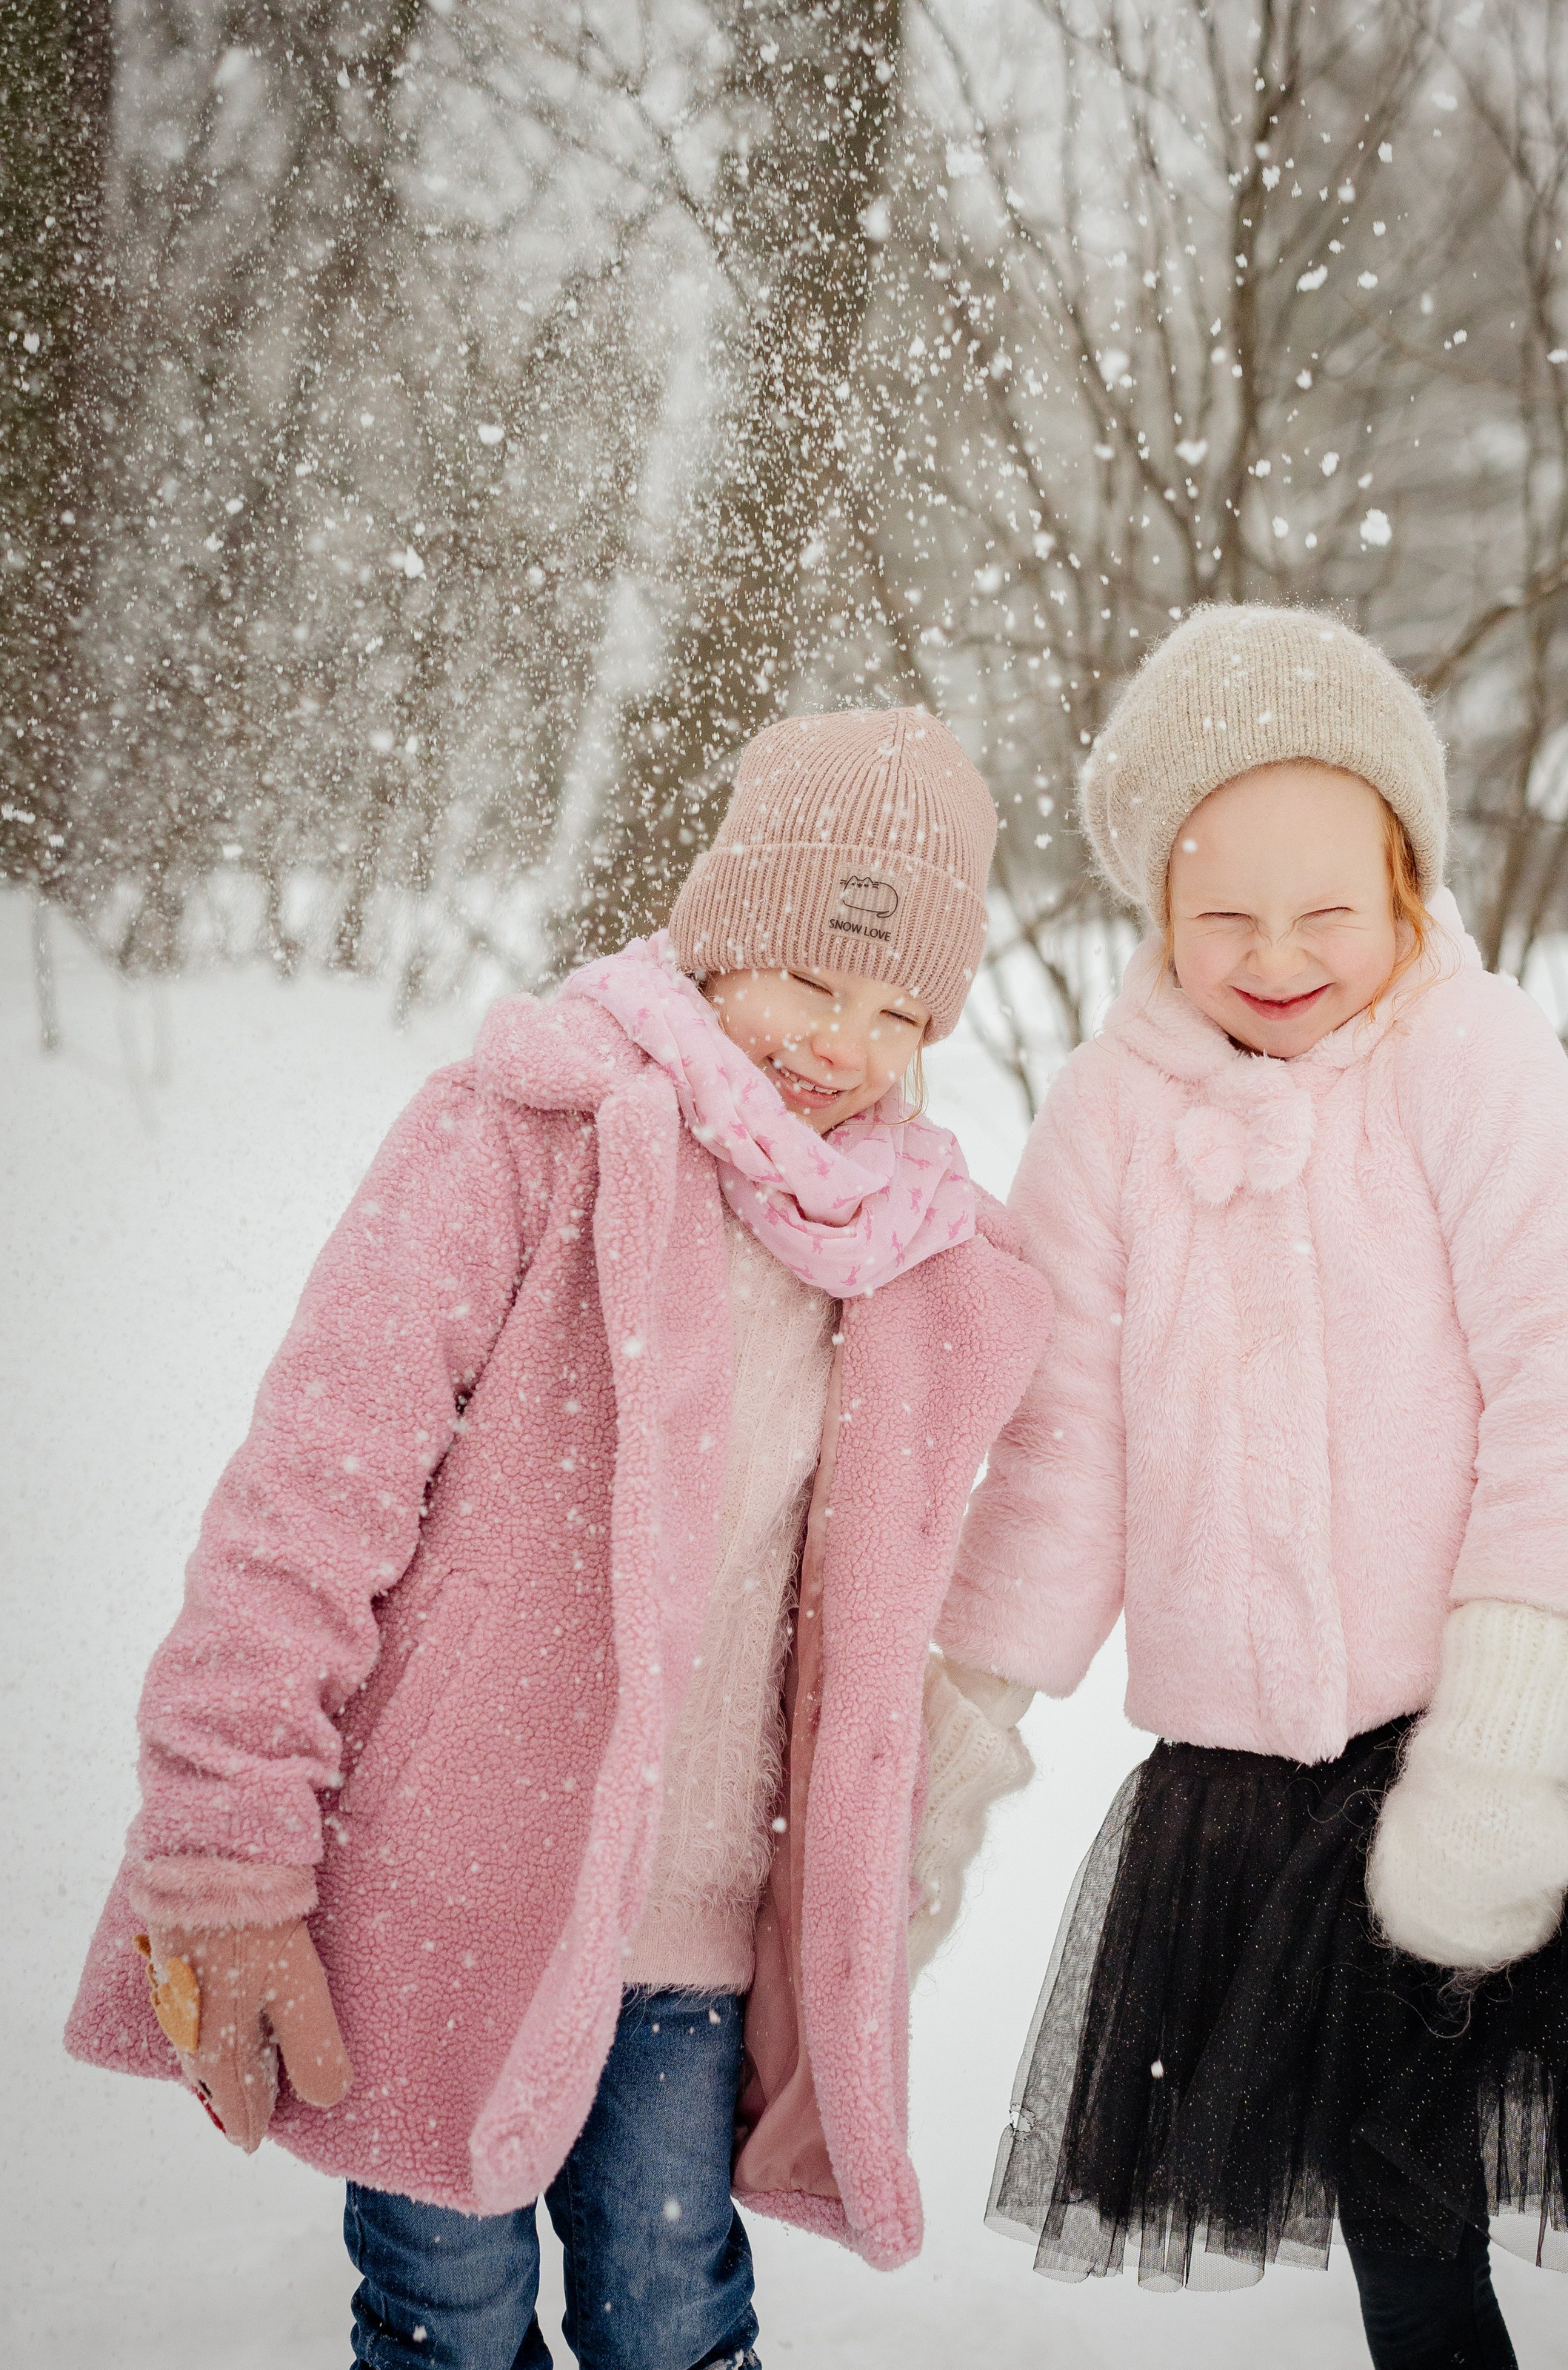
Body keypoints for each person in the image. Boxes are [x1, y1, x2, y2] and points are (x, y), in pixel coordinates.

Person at [933, 606, 1568, 2370]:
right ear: (1154, 906)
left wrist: (1504, 1743)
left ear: (1402, 889)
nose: (1277, 953)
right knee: (1402, 2207)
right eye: (1222, 911)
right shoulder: (1105, 1120)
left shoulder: (1470, 1058)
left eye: (1327, 911)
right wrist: (958, 1726)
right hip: (1285, 1786)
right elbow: (1062, 1453)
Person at [67, 705, 1050, 2370]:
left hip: (694, 1916)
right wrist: (228, 1838)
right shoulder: (527, 1137)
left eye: (900, 1010)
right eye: (812, 977)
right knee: (446, 2306)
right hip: (443, 1877)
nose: (846, 1044)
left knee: (668, 2308)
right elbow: (311, 1493)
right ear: (720, 934)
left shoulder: (902, 1259)